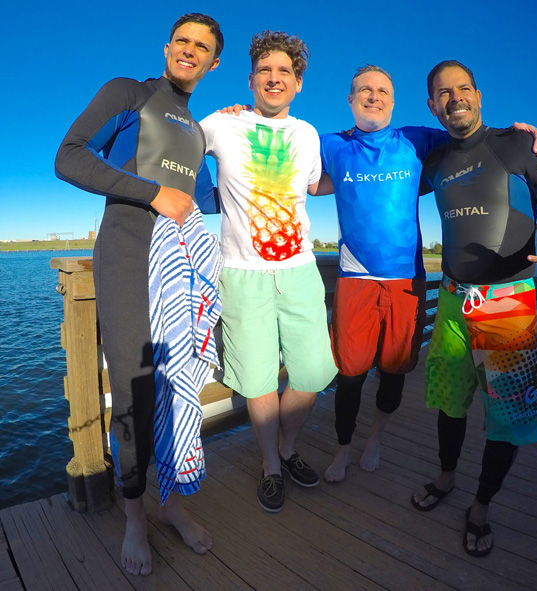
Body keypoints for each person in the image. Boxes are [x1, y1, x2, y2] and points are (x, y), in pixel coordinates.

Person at [317, 66, 537, 483]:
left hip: (408, 281)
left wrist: (526, 134)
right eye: (364, 91)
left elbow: (473, 134)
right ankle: (342, 448)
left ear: (394, 100)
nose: (374, 96)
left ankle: (375, 438)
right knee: (349, 374)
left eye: (383, 90)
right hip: (355, 279)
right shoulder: (330, 145)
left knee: (394, 370)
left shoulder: (418, 139)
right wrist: (245, 118)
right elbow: (289, 165)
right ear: (350, 100)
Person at [55, 13, 223, 576]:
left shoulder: (197, 132)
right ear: (168, 46)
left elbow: (206, 201)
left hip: (177, 266)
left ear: (213, 62)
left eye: (202, 47)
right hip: (127, 256)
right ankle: (135, 516)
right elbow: (70, 155)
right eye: (183, 41)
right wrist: (152, 193)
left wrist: (260, 147)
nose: (190, 51)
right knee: (132, 391)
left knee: (177, 387)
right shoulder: (130, 93)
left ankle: (171, 503)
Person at [411, 60, 537, 557]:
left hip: (508, 301)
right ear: (432, 105)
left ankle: (481, 505)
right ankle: (446, 478)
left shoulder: (520, 143)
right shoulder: (435, 161)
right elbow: (385, 166)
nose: (455, 98)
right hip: (450, 298)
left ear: (479, 95)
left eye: (463, 88)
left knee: (507, 417)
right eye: (443, 93)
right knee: (449, 400)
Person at [199, 31, 337, 513]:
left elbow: (318, 184)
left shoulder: (308, 133)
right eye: (266, 71)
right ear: (252, 80)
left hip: (299, 270)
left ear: (298, 83)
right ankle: (272, 465)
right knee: (257, 379)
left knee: (314, 371)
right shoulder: (221, 123)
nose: (275, 78)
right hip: (242, 274)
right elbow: (176, 146)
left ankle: (287, 444)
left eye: (285, 72)